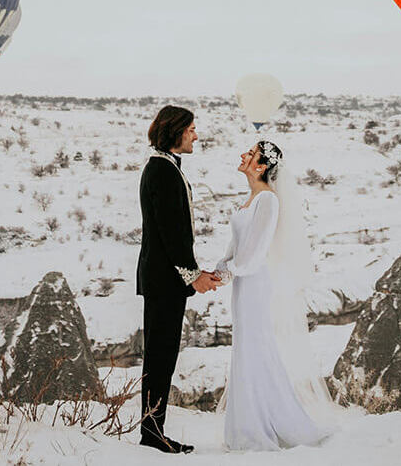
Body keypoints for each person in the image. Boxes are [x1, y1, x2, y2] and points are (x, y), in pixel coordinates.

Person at [214, 141, 334, 451]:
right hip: (243, 284)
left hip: (254, 284)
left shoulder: (267, 200)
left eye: (250, 153)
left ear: (261, 167)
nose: (243, 155)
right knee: (247, 348)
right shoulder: (252, 198)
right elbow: (237, 246)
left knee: (256, 349)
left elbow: (254, 254)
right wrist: (220, 268)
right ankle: (249, 424)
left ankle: (261, 427)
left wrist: (230, 271)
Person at [137, 106, 220, 454]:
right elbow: (172, 234)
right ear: (175, 132)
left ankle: (152, 431)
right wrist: (193, 275)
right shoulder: (163, 172)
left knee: (160, 357)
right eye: (191, 130)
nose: (196, 136)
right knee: (161, 359)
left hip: (161, 278)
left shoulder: (163, 167)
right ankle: (153, 434)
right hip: (164, 280)